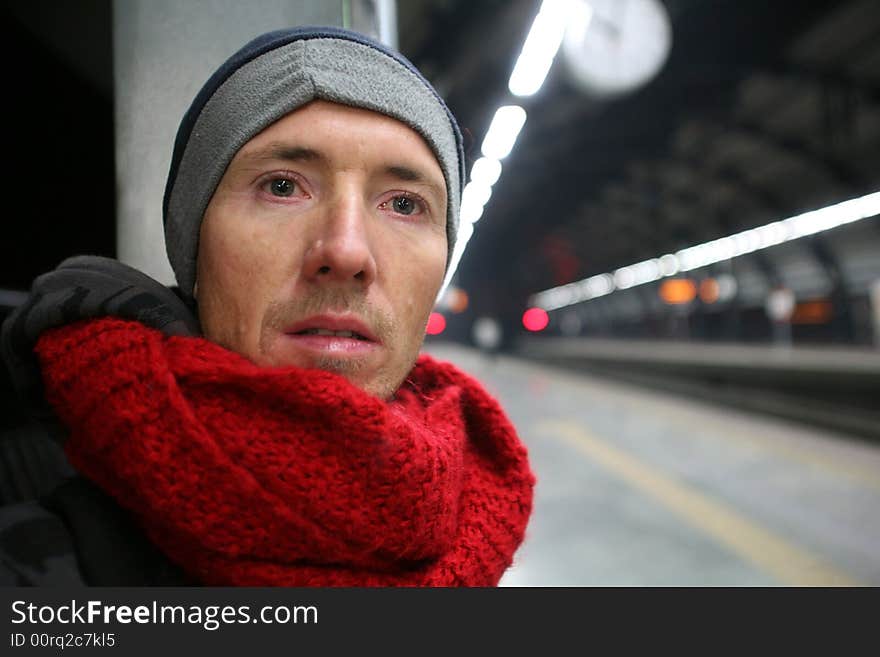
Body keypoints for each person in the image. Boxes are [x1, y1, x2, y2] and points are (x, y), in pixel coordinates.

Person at [0, 26, 534, 586]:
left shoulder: (477, 501)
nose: (347, 250)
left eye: (403, 203)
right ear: (195, 247)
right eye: (282, 187)